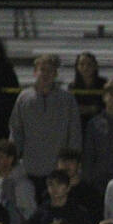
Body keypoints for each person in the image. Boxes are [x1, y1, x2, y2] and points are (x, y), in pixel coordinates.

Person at [9, 54, 81, 184]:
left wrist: (72, 165)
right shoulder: (24, 98)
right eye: (42, 70)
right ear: (35, 72)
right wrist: (13, 160)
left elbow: (74, 133)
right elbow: (16, 131)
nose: (46, 74)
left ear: (55, 74)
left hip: (58, 170)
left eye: (50, 70)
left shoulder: (67, 99)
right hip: (29, 168)